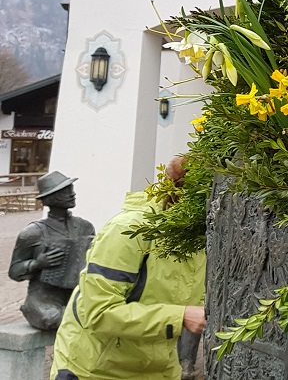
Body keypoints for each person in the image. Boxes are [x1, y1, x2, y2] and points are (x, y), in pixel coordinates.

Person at [50, 156, 206, 380]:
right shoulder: (129, 230)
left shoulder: (197, 240)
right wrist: (179, 317)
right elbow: (99, 312)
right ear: (186, 193)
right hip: (94, 370)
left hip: (156, 368)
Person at [8, 171, 94, 330]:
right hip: (44, 296)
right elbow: (14, 271)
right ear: (50, 198)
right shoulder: (32, 233)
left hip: (76, 293)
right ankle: (32, 309)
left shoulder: (85, 227)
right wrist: (37, 264)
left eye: (71, 189)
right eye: (66, 191)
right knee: (52, 318)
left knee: (98, 314)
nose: (72, 194)